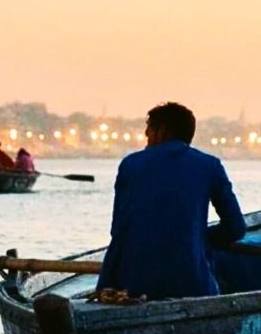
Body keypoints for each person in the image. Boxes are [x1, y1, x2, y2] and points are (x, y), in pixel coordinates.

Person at [97, 102, 246, 300]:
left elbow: (119, 229)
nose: (146, 138)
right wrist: (199, 239)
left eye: (149, 131)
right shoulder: (210, 166)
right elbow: (236, 228)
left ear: (162, 131)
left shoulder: (131, 164)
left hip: (133, 285)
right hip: (192, 284)